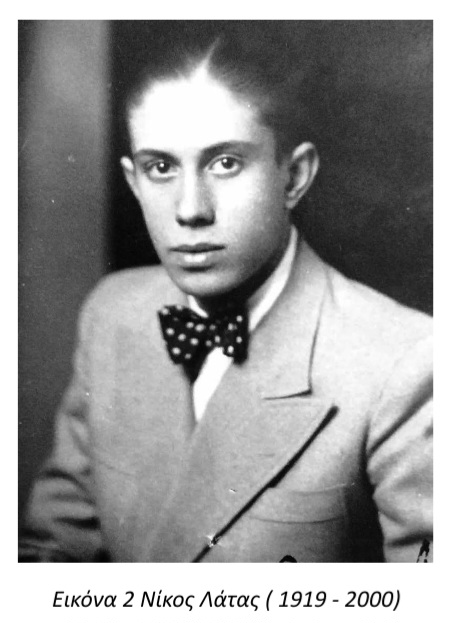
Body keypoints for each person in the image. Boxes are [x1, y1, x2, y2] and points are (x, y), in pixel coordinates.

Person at [19, 29, 432, 562]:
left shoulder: (406, 363)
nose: (190, 209)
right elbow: (54, 550)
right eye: (160, 168)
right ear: (133, 181)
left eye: (226, 163)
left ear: (294, 177)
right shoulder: (113, 313)